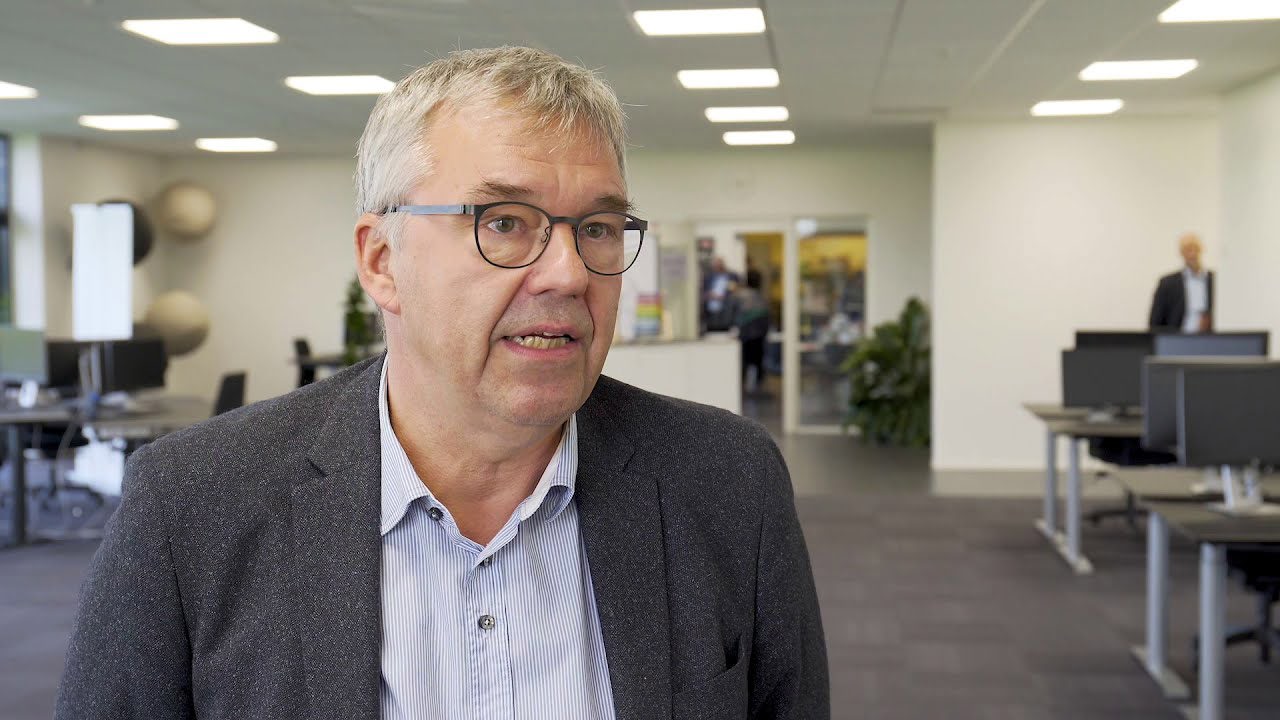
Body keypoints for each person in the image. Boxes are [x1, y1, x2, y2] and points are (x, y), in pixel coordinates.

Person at [55, 47, 828, 720]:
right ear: (381, 262)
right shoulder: (192, 506)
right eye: (504, 222)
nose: (567, 274)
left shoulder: (728, 483)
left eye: (596, 228)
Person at [1149, 232, 1214, 333]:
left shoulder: (1215, 281)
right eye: (1187, 249)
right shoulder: (1168, 284)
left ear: (1201, 249)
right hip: (1178, 337)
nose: (1192, 253)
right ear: (1181, 253)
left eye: (1195, 248)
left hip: (1211, 338)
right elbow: (1155, 321)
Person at [732, 269, 771, 392]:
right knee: (757, 360)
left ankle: (744, 387)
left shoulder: (740, 295)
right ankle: (757, 386)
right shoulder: (762, 298)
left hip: (746, 333)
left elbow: (735, 315)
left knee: (744, 360)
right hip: (759, 334)